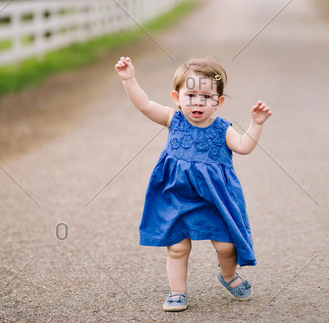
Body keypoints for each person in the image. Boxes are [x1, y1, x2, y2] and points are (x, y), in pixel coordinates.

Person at [114, 56, 272, 312]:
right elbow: (144, 105)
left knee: (226, 244)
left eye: (207, 97)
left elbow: (244, 147)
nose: (198, 101)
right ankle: (178, 291)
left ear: (218, 102)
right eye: (191, 95)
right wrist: (129, 79)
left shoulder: (223, 129)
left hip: (213, 198)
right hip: (175, 196)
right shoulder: (172, 119)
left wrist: (256, 124)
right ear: (177, 98)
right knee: (177, 247)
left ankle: (229, 275)